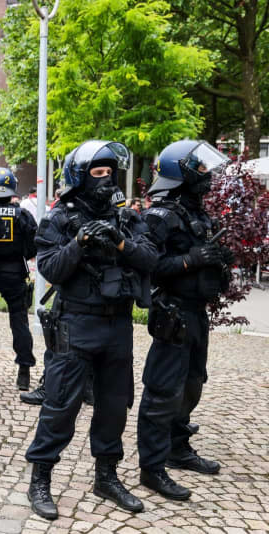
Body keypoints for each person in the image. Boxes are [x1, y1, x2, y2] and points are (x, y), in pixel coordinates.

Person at [25, 140, 157, 520]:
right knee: (60, 406)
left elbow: (150, 258)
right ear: (80, 178)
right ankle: (41, 478)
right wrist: (79, 243)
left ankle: (106, 476)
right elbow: (49, 269)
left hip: (117, 325)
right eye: (97, 174)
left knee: (114, 406)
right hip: (75, 323)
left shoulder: (128, 217)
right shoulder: (59, 218)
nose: (105, 180)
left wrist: (119, 241)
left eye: (109, 173)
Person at [136, 140, 234, 501]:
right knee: (162, 392)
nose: (207, 176)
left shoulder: (197, 213)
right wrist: (191, 260)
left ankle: (178, 448)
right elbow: (147, 266)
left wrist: (217, 259)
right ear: (182, 172)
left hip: (195, 312)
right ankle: (152, 468)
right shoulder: (160, 215)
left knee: (193, 384)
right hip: (172, 312)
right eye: (201, 169)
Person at [0, 168, 38, 391]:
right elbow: (33, 245)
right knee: (19, 322)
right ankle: (24, 369)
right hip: (14, 273)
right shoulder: (22, 214)